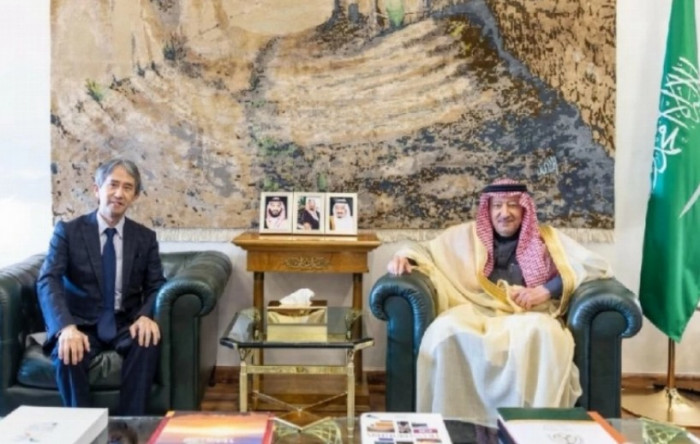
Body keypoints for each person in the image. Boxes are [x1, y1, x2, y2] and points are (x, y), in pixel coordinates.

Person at [386, 178, 612, 427]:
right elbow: (425, 251)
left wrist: (545, 290)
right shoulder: (466, 237)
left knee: (547, 335)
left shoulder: (546, 238)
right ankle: (457, 425)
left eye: (512, 205)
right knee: (444, 330)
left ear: (524, 208)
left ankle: (534, 427)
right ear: (488, 209)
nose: (505, 213)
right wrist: (404, 258)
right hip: (474, 309)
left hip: (528, 314)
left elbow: (592, 265)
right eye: (497, 206)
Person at [37, 158, 165, 415]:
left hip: (125, 322)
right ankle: (82, 429)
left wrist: (145, 316)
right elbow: (48, 279)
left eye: (127, 187)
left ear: (135, 196)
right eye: (113, 185)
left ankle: (130, 427)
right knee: (67, 353)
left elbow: (156, 285)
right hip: (80, 323)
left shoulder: (145, 238)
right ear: (97, 189)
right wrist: (65, 327)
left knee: (148, 342)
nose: (119, 193)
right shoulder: (68, 232)